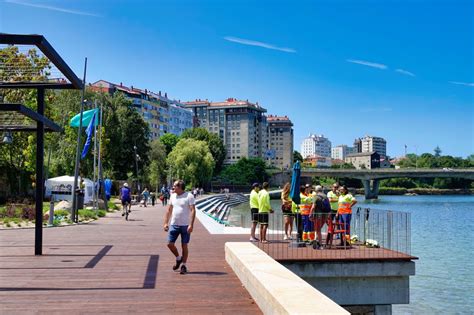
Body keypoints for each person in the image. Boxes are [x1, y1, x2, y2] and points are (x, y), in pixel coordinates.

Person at [163, 180, 196, 275]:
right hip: (174, 224)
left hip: (185, 225)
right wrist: (165, 223)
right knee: (169, 244)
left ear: (180, 187)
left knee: (184, 245)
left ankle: (184, 265)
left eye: (174, 186)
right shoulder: (173, 196)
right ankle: (178, 258)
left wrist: (191, 224)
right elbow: (169, 210)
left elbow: (193, 210)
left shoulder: (189, 196)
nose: (173, 188)